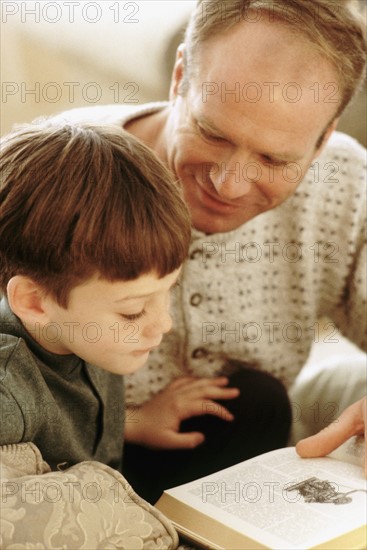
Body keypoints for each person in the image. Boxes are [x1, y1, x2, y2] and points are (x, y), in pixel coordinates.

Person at [54, 0, 366, 503]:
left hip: (247, 451)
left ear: (323, 139)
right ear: (179, 79)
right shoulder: (52, 178)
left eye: (273, 158)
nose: (230, 184)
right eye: (212, 132)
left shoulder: (345, 185)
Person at [0, 121, 191, 491]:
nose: (162, 324)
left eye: (168, 291)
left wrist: (135, 422)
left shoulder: (76, 329)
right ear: (35, 302)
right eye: (133, 311)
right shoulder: (10, 392)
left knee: (258, 402)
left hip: (115, 482)